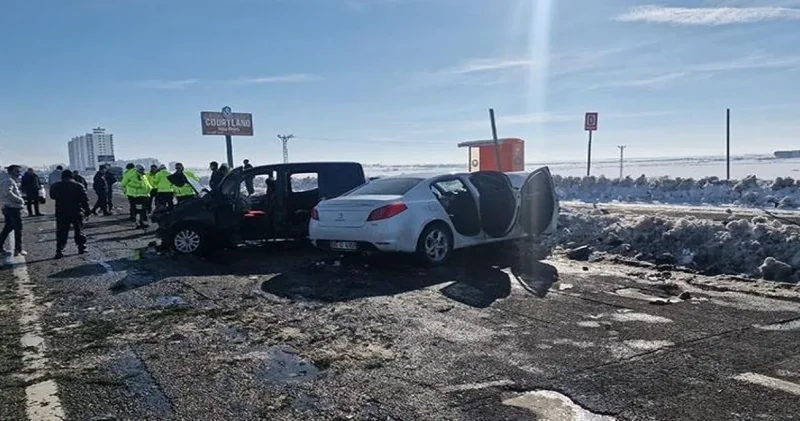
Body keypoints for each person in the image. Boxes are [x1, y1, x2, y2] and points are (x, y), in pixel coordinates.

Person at [49, 170, 91, 259]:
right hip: (76, 211)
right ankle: (81, 247)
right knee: (79, 230)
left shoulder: (56, 186)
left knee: (61, 231)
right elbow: (84, 200)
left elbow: (52, 196)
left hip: (61, 211)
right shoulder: (79, 185)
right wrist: (87, 211)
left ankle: (59, 250)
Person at [0, 165, 26, 256]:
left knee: (8, 227)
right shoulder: (9, 180)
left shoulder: (5, 179)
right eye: (17, 171)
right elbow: (7, 193)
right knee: (18, 228)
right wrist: (20, 200)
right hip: (13, 208)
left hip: (7, 207)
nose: (19, 173)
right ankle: (18, 249)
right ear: (11, 171)